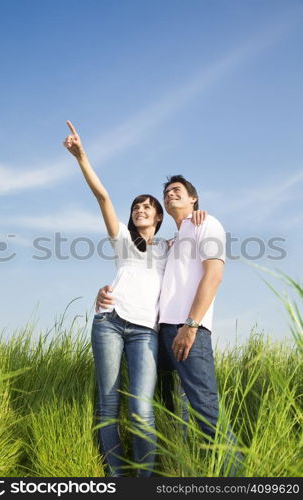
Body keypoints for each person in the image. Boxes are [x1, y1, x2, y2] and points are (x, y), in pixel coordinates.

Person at [63, 123, 206, 477]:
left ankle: (144, 480)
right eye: (136, 206)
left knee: (142, 408)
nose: (140, 209)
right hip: (109, 323)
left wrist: (198, 215)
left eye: (147, 206)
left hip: (145, 331)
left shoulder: (172, 248)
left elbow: (195, 241)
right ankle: (115, 478)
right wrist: (82, 157)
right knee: (108, 403)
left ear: (158, 216)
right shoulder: (124, 242)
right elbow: (103, 197)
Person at [97, 175, 243, 476]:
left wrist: (191, 325)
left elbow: (214, 275)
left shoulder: (205, 224)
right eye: (166, 193)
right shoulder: (172, 241)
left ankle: (234, 476)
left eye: (176, 191)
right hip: (157, 331)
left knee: (204, 407)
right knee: (172, 404)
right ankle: (177, 469)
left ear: (194, 199)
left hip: (185, 330)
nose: (169, 195)